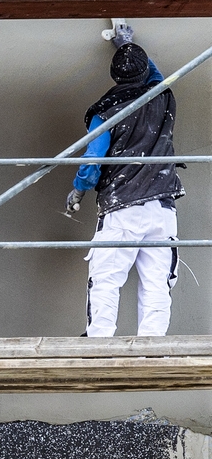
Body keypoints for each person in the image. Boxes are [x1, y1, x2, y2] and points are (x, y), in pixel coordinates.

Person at [66, 23, 181, 337]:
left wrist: (78, 190)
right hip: (161, 205)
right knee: (157, 281)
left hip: (122, 207)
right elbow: (154, 77)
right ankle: (152, 342)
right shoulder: (164, 98)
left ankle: (100, 338)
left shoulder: (104, 112)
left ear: (114, 76)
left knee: (106, 278)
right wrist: (127, 44)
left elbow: (93, 161)